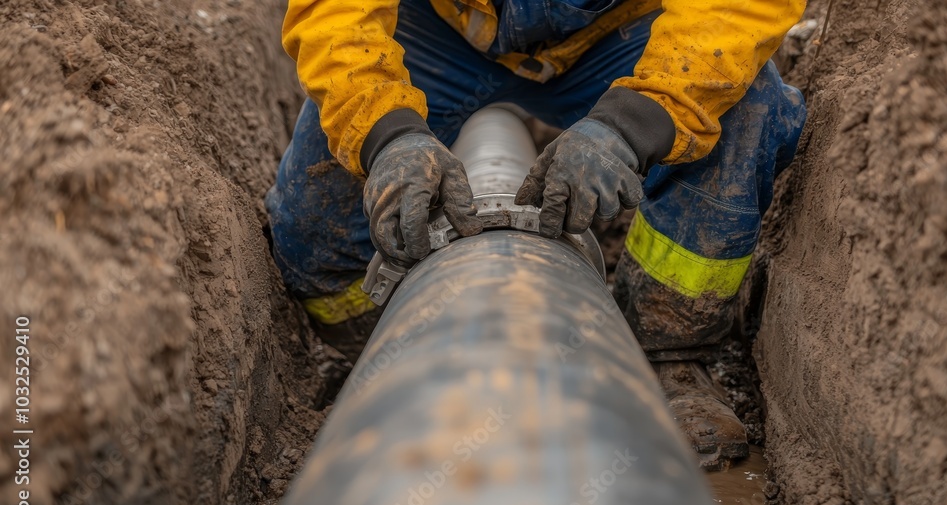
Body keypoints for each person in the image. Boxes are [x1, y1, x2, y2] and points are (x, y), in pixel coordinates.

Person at [266, 0, 807, 469]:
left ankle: (671, 354)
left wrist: (634, 122)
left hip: (618, 35)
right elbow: (335, 12)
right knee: (314, 235)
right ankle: (386, 346)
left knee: (749, 108)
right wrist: (386, 133)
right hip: (438, 31)